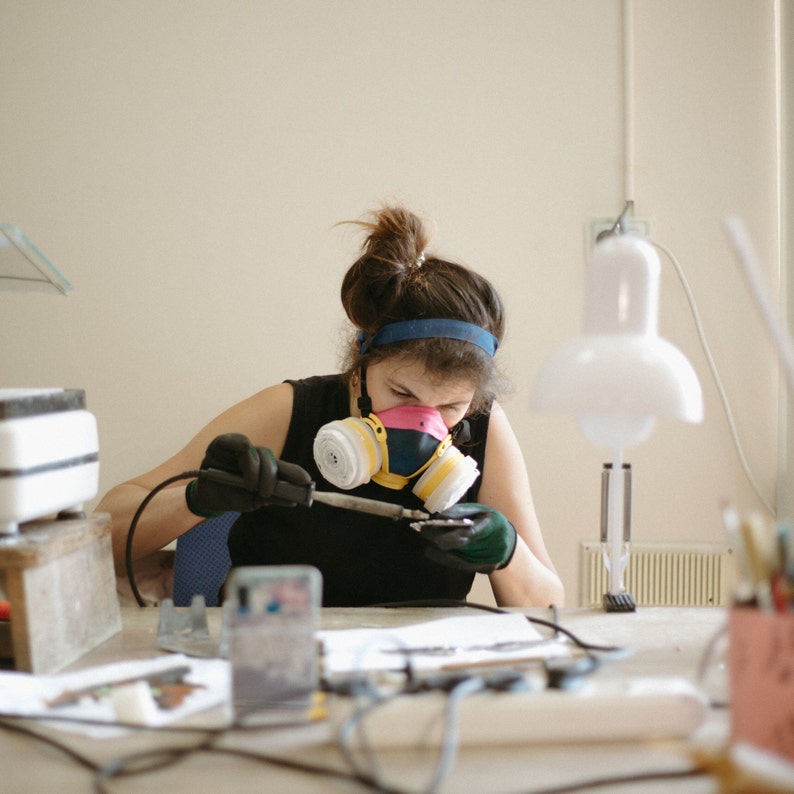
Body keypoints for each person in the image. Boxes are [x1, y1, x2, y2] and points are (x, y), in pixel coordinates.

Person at [97, 205, 563, 608]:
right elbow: (104, 539)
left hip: (413, 678)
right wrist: (197, 499)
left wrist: (507, 552)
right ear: (359, 367)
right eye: (402, 394)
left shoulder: (483, 427)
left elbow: (548, 603)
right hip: (274, 659)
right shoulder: (287, 411)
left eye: (451, 406)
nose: (425, 425)